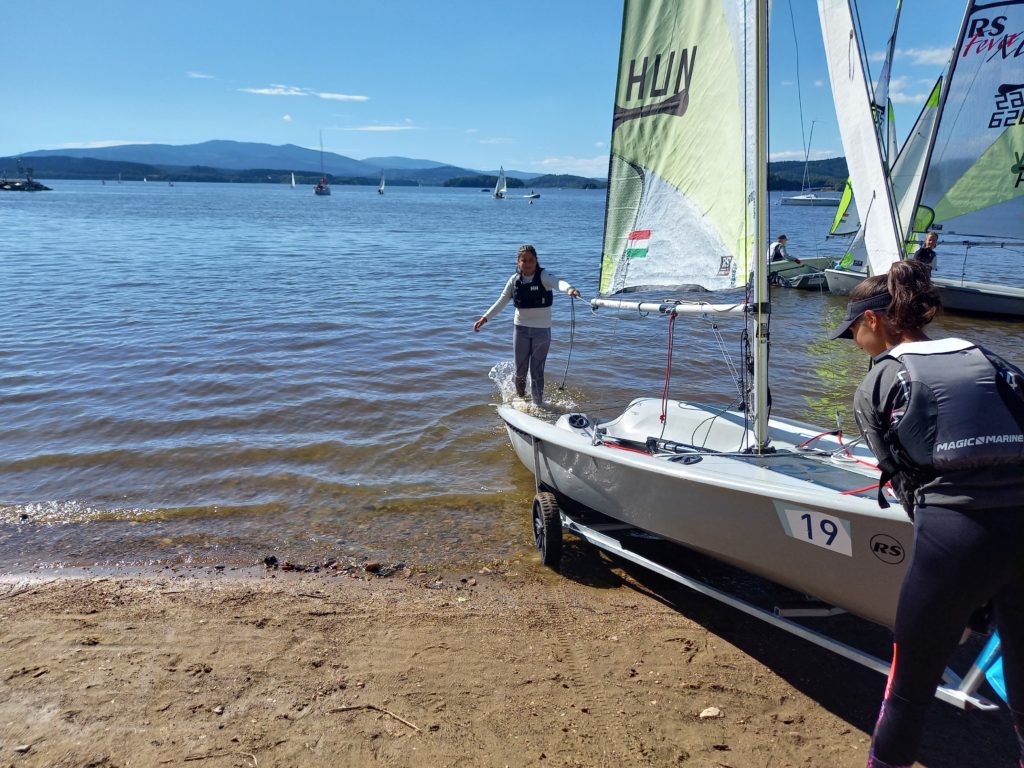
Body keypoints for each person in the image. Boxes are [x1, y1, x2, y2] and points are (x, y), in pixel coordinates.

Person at [830, 259, 1024, 768]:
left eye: (852, 332)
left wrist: (966, 587)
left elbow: (907, 488)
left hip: (957, 536)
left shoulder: (880, 381)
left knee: (909, 689)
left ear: (872, 320)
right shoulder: (988, 356)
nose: (854, 343)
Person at [473, 244, 581, 404]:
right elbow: (501, 301)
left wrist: (569, 289)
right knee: (520, 371)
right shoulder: (514, 280)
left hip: (542, 332)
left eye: (531, 260)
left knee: (537, 371)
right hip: (520, 330)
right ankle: (521, 399)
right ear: (518, 262)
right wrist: (485, 318)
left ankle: (538, 405)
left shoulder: (543, 276)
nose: (528, 263)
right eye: (524, 260)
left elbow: (558, 283)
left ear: (536, 260)